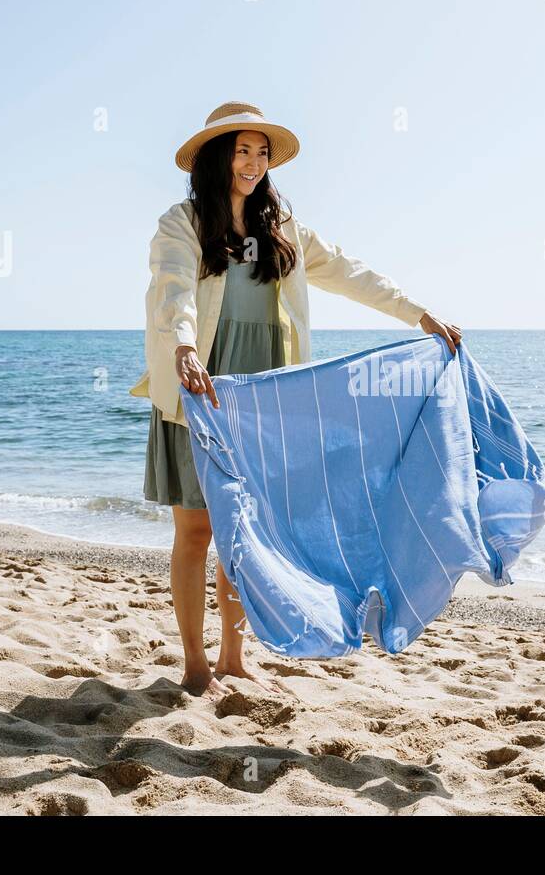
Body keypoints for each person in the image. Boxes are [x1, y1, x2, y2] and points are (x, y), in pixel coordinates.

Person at [130, 101, 462, 699]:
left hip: (264, 401)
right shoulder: (181, 222)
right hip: (200, 390)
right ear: (214, 157)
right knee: (197, 532)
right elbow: (172, 291)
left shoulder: (280, 226)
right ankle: (194, 665)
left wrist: (418, 313)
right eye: (242, 151)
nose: (254, 164)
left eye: (262, 153)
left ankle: (233, 658)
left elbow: (349, 271)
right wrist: (183, 347)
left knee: (243, 532)